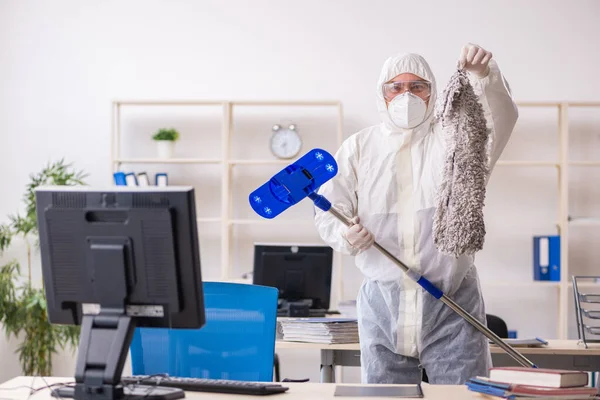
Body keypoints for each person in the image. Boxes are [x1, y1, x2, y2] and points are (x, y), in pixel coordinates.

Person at [313, 43, 517, 385]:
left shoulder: (455, 140)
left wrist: (485, 77)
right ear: (383, 94)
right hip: (383, 307)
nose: (406, 95)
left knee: (463, 396)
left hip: (452, 305)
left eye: (417, 86)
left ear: (432, 91)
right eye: (396, 87)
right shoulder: (359, 148)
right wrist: (346, 235)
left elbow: (499, 121)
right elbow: (331, 210)